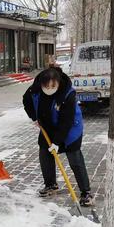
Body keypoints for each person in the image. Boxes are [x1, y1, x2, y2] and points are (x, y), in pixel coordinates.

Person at [22, 66, 94, 206]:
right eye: (46, 86)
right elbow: (26, 100)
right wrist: (34, 118)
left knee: (75, 159)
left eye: (52, 86)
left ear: (58, 83)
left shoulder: (68, 94)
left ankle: (86, 192)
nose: (49, 89)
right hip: (47, 127)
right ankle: (50, 185)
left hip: (70, 129)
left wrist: (57, 142)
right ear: (41, 84)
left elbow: (66, 122)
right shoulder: (35, 89)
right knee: (45, 153)